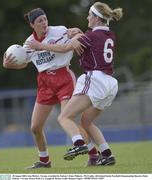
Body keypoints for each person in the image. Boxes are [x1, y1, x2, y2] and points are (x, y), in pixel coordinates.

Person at [27, 1, 123, 166]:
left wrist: (41, 45)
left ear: (96, 18)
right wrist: (75, 34)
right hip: (110, 83)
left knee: (64, 117)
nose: (87, 17)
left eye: (89, 15)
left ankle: (79, 145)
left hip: (95, 79)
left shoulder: (90, 36)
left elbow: (66, 48)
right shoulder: (110, 35)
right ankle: (107, 155)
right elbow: (77, 40)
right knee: (86, 121)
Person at [3, 8, 80, 169]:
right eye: (39, 21)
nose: (44, 23)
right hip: (45, 82)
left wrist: (77, 32)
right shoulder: (29, 42)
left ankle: (93, 153)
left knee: (67, 118)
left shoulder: (59, 31)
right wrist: (10, 65)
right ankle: (44, 161)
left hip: (63, 77)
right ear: (32, 25)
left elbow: (71, 43)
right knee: (35, 127)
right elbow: (24, 62)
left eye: (45, 19)